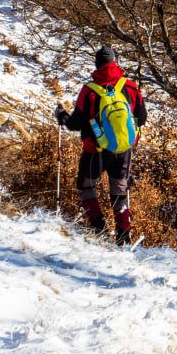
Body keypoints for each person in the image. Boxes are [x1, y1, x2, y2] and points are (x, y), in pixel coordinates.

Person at [55, 45, 147, 244]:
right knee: (119, 191)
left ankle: (100, 231)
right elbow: (142, 116)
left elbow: (75, 124)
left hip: (94, 150)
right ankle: (124, 239)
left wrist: (61, 115)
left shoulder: (90, 91)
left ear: (97, 64)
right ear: (115, 63)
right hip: (123, 149)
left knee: (86, 185)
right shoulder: (129, 86)